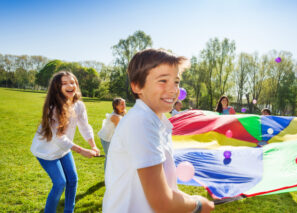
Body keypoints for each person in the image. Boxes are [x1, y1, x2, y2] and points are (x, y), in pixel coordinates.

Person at [103, 49, 214, 212]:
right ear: (137, 86)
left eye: (176, 82)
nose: (173, 90)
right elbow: (162, 202)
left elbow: (164, 189)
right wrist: (197, 204)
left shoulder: (157, 121)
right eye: (163, 81)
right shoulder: (141, 121)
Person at [30, 70, 100, 212]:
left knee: (72, 180)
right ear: (57, 87)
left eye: (73, 82)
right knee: (60, 183)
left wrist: (93, 145)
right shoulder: (53, 108)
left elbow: (85, 126)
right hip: (46, 152)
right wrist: (82, 151)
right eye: (65, 83)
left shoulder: (79, 105)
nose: (70, 85)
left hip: (63, 149)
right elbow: (59, 137)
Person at [98, 98, 126, 169]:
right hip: (106, 138)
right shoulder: (115, 117)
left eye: (124, 104)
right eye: (121, 104)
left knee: (115, 157)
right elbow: (120, 131)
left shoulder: (121, 113)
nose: (124, 106)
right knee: (109, 157)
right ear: (116, 106)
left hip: (112, 138)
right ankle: (107, 177)